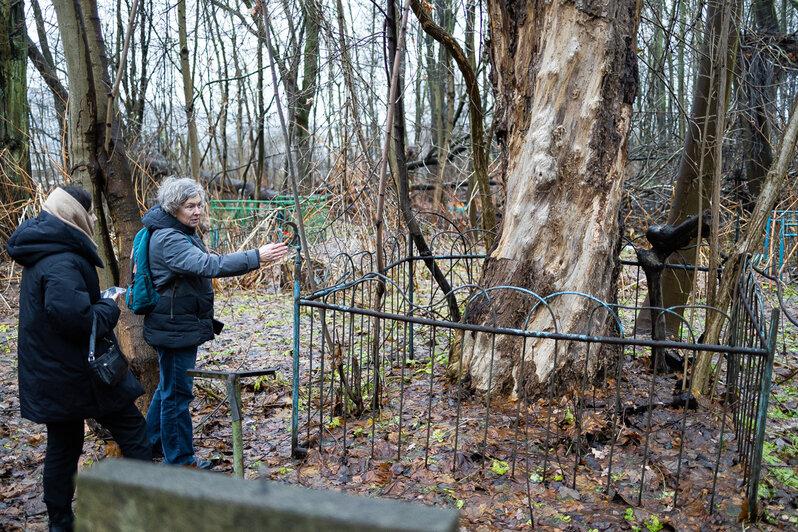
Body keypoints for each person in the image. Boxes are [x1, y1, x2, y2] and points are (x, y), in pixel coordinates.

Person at [6, 186, 150, 532]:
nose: (95, 217)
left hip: (55, 369)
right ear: (74, 213)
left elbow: (62, 309)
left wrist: (91, 301)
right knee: (133, 432)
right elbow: (75, 320)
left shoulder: (48, 249)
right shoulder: (62, 259)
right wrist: (107, 305)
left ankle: (61, 521)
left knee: (64, 444)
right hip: (78, 371)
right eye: (90, 210)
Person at [142, 177, 288, 468]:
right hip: (173, 328)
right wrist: (256, 256)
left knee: (168, 388)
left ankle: (147, 446)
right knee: (176, 394)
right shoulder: (169, 238)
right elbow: (209, 265)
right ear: (174, 207)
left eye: (199, 205)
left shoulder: (179, 230)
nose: (197, 211)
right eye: (190, 206)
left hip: (177, 324)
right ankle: (180, 462)